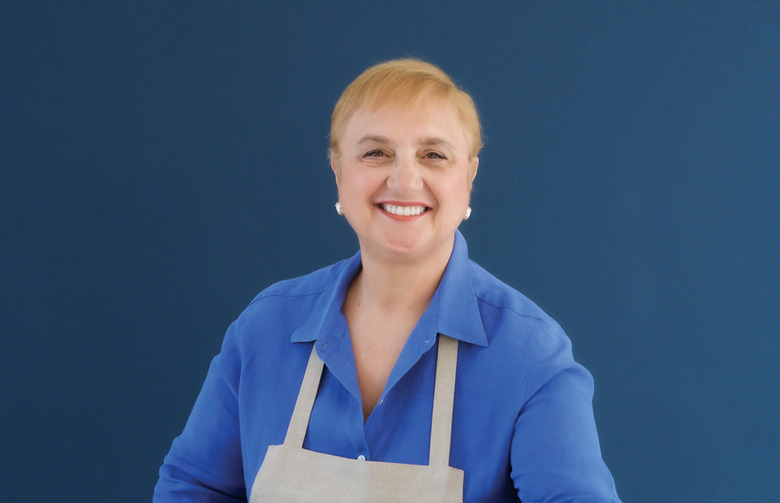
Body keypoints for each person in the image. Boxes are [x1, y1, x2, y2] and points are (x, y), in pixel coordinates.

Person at [154, 58, 621, 502]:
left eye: (433, 155)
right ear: (338, 170)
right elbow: (192, 487)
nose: (405, 179)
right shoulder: (264, 328)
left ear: (469, 176)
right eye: (376, 153)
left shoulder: (530, 353)